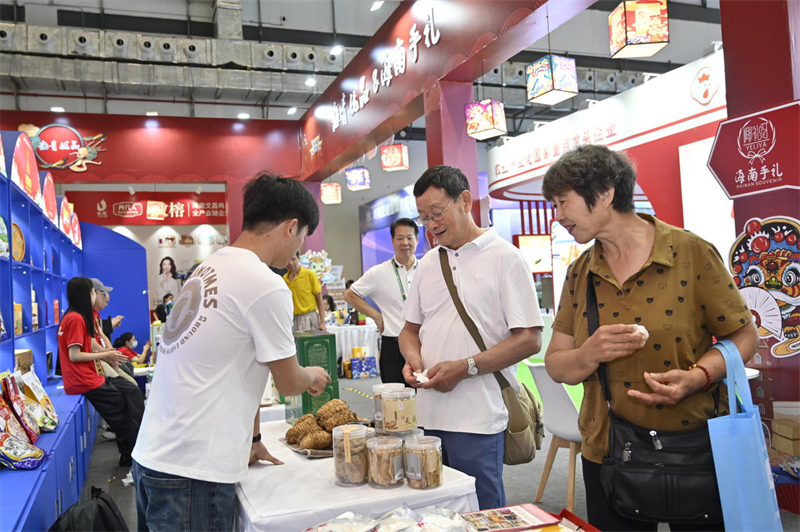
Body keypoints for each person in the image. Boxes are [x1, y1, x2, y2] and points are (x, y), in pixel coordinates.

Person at [541, 145, 758, 531]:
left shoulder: (691, 253)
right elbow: (557, 365)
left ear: (605, 193)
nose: (558, 216)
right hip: (607, 450)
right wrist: (589, 353)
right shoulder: (580, 273)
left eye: (562, 202)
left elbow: (744, 336)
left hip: (693, 447)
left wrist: (699, 377)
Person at [132, 173, 331, 532]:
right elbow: (289, 382)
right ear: (291, 227)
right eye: (302, 237)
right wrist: (314, 375)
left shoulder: (209, 268)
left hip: (156, 455)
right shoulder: (266, 284)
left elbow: (238, 365)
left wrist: (253, 440)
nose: (297, 250)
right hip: (193, 470)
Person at [399, 166, 544, 510]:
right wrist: (412, 358)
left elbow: (529, 339)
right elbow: (410, 330)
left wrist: (465, 368)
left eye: (437, 213)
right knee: (434, 510)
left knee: (482, 511)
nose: (431, 225)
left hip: (478, 417)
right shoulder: (427, 264)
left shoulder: (505, 257)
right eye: (423, 217)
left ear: (465, 200)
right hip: (427, 417)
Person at [57, 277, 144, 467]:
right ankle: (131, 455)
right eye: (93, 292)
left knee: (131, 394)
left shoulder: (76, 316)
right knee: (124, 409)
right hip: (84, 379)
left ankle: (132, 452)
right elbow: (74, 355)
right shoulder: (76, 318)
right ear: (86, 293)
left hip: (89, 376)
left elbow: (90, 342)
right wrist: (104, 355)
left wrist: (107, 353)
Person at [346, 217, 420, 384]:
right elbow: (350, 295)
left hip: (424, 343)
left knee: (427, 393)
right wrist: (376, 316)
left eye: (409, 238)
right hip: (393, 344)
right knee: (394, 394)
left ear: (416, 239)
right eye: (400, 238)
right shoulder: (378, 272)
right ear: (392, 241)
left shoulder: (427, 269)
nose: (405, 243)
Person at [283, 251, 326, 332]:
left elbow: (319, 299)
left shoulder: (309, 274)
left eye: (293, 259)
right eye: (287, 260)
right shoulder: (285, 278)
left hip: (309, 317)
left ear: (299, 259)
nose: (290, 263)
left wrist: (322, 322)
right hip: (293, 319)